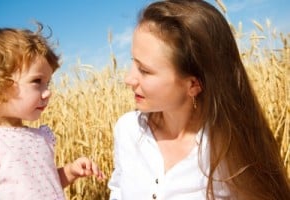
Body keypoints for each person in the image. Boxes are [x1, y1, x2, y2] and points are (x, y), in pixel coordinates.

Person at [108, 0, 290, 199]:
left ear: (193, 85)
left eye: (145, 71)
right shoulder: (127, 131)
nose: (128, 79)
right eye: (133, 62)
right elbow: (117, 192)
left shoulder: (228, 149)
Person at [0, 23, 105, 200]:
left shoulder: (41, 137)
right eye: (37, 81)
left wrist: (70, 171)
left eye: (48, 83)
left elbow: (46, 184)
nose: (48, 91)